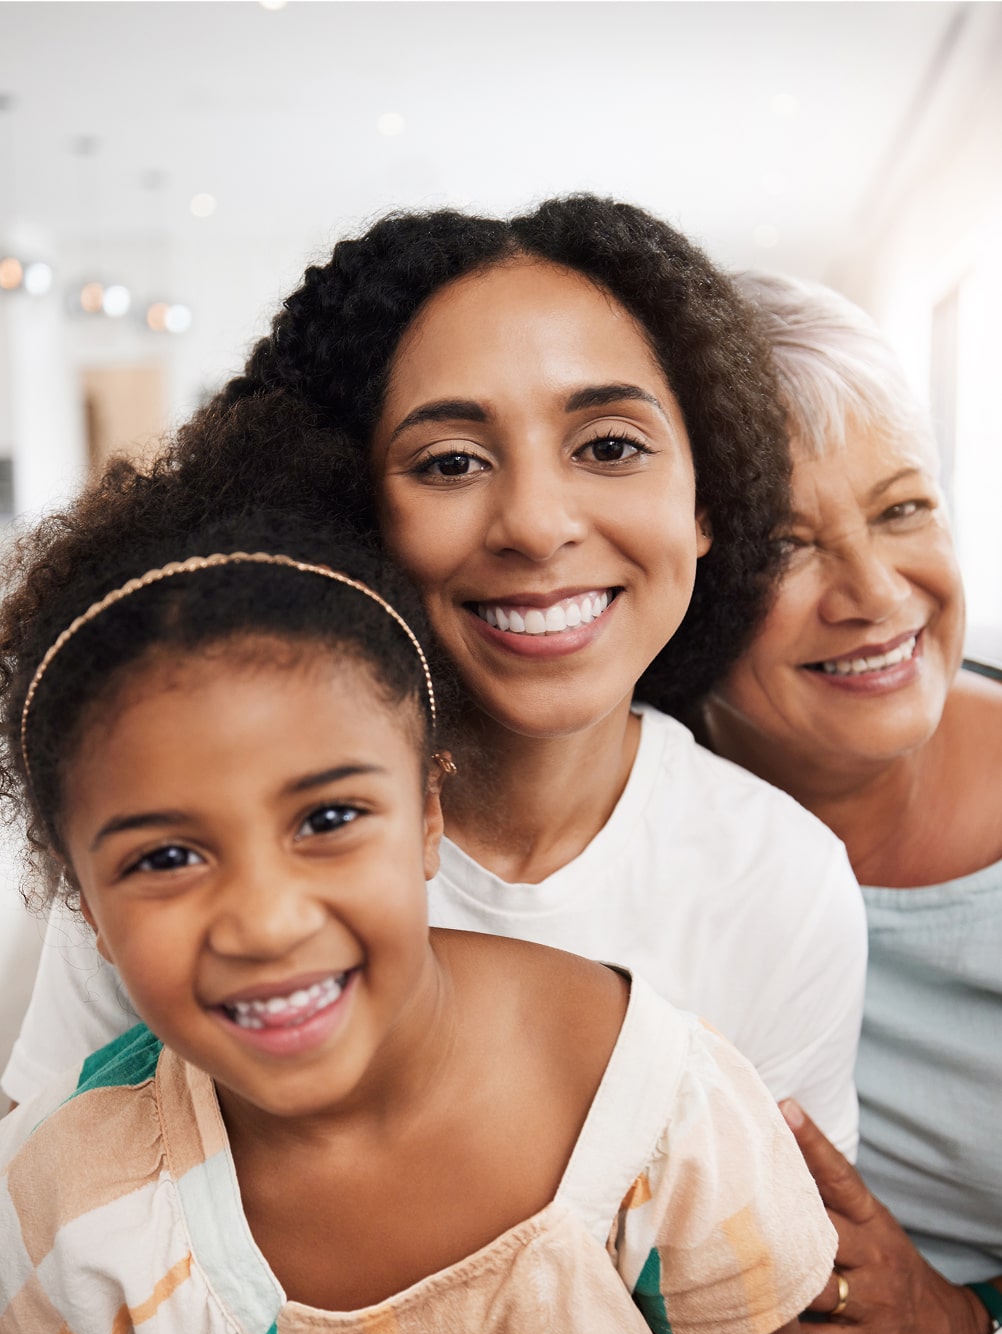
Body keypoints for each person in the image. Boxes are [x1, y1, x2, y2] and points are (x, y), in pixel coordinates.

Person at [3, 197, 867, 1161]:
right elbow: (41, 1193)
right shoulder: (186, 822)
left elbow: (783, 1244)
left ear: (705, 500)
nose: (535, 524)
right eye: (450, 462)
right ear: (351, 512)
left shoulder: (781, 884)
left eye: (610, 446)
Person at [0, 457, 835, 1334]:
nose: (267, 923)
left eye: (328, 818)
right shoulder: (66, 1206)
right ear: (85, 905)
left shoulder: (660, 1109)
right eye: (167, 857)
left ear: (429, 812)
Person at [700, 271, 1002, 1334]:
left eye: (902, 507)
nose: (875, 592)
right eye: (782, 546)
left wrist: (965, 1321)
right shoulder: (637, 821)